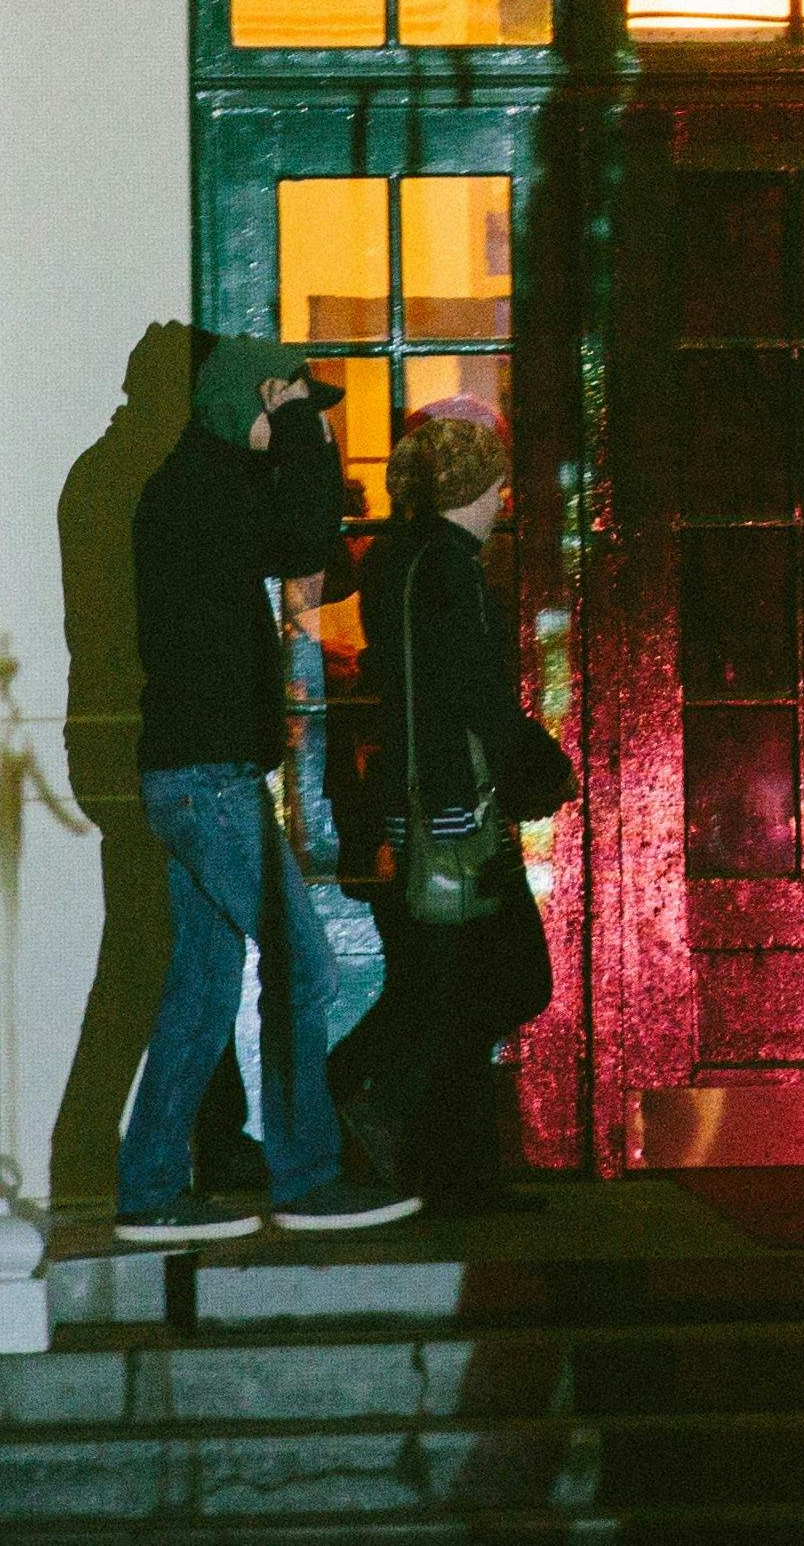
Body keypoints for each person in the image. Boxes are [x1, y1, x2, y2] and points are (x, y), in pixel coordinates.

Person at [116, 335, 397, 1243]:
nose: (303, 420)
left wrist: (287, 434)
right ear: (259, 398)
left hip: (196, 774)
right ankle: (307, 1178)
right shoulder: (200, 488)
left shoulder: (195, 483)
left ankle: (152, 1190)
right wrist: (303, 438)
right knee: (302, 962)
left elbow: (302, 553)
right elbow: (306, 541)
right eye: (290, 402)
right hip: (207, 779)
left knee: (202, 985)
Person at [325, 407, 573, 1215]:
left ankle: (447, 1160)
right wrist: (530, 761)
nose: (504, 497)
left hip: (413, 797)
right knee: (504, 979)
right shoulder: (450, 569)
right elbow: (468, 692)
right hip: (454, 808)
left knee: (444, 985)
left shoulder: (396, 559)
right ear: (475, 489)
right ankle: (393, 1112)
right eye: (497, 482)